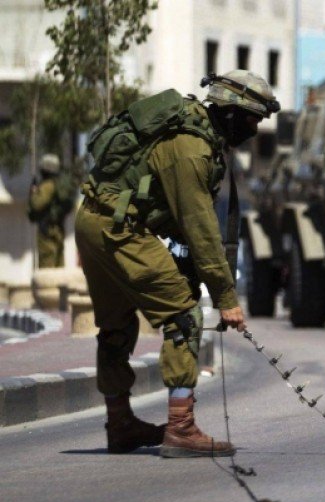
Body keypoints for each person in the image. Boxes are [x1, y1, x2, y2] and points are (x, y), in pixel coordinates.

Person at [76, 70, 280, 457]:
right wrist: (226, 298)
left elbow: (170, 213)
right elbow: (200, 228)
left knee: (116, 325)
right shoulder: (191, 149)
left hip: (94, 221)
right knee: (184, 316)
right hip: (120, 229)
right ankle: (181, 427)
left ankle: (119, 424)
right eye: (252, 119)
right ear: (231, 112)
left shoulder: (191, 132)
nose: (255, 128)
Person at [27, 153, 73, 268]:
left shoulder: (47, 186)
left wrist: (33, 194)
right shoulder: (59, 184)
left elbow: (37, 205)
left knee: (46, 265)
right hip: (58, 229)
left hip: (47, 230)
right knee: (59, 264)